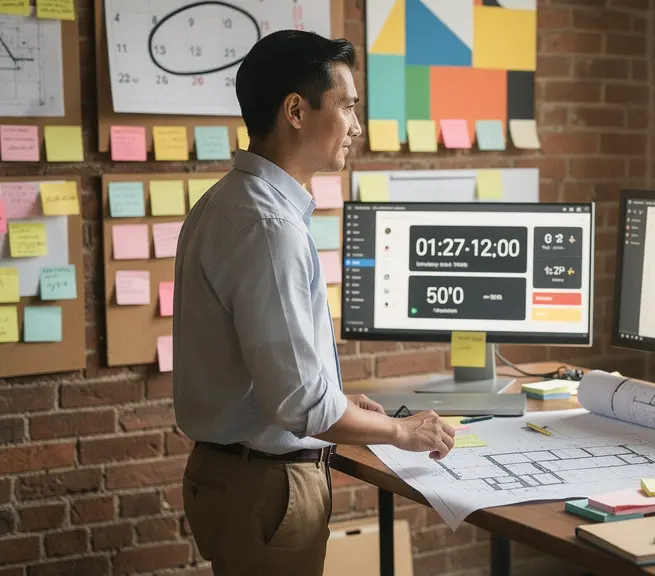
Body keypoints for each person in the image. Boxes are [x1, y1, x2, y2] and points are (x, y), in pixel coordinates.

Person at [172, 31, 455, 575]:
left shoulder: (223, 201)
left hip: (229, 477)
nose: (356, 126)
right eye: (347, 106)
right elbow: (300, 406)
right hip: (267, 487)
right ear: (296, 111)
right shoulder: (270, 226)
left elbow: (275, 377)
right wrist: (402, 431)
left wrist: (342, 403)